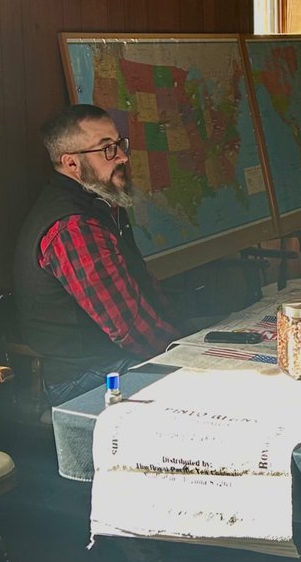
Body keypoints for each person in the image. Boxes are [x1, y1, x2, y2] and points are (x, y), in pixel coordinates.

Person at [12, 104, 180, 407]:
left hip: (116, 358)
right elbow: (130, 329)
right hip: (86, 377)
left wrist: (189, 337)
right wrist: (186, 355)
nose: (123, 158)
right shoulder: (73, 227)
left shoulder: (101, 205)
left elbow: (143, 288)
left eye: (119, 145)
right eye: (107, 150)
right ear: (72, 164)